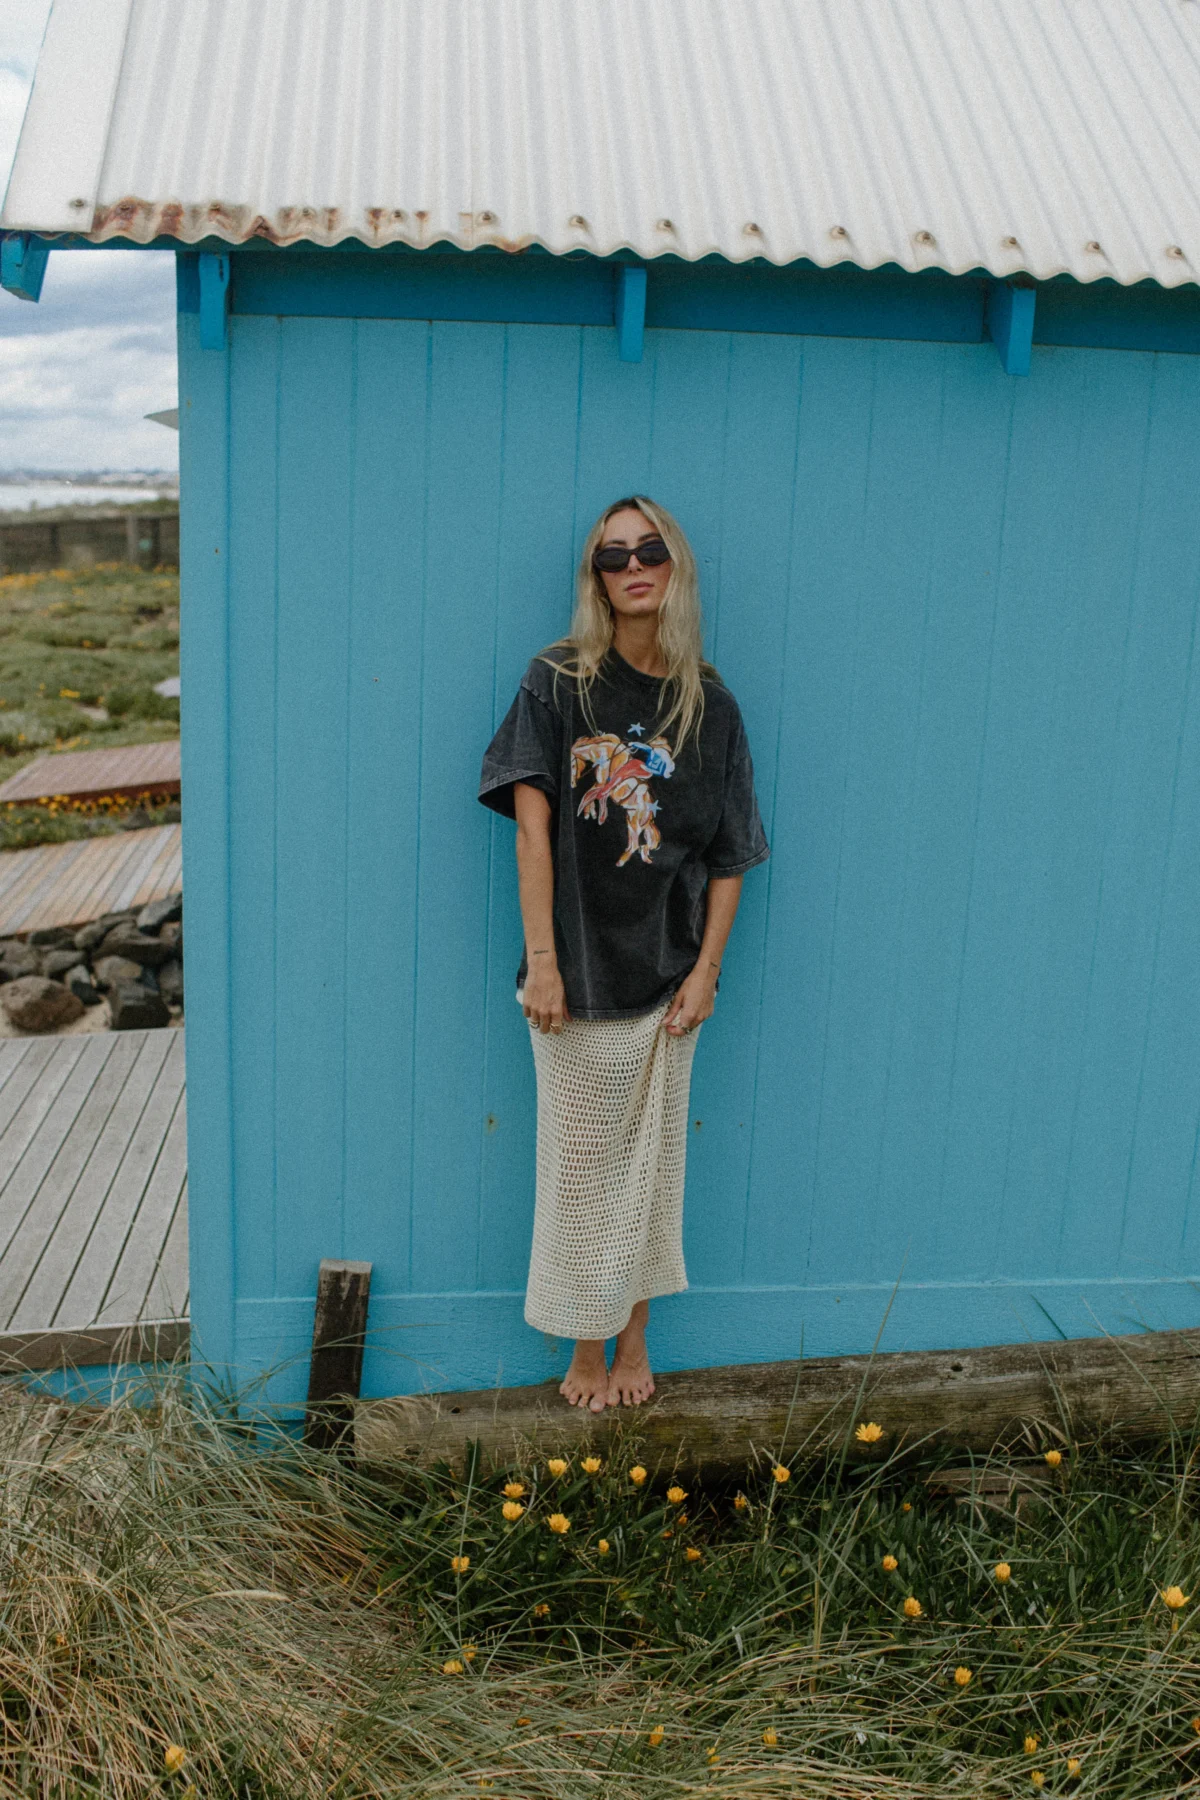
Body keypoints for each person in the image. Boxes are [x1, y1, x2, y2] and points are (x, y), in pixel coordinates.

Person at [478, 495, 769, 1412]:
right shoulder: (557, 683)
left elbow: (730, 857)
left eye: (649, 551)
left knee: (651, 1177)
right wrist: (544, 960)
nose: (633, 567)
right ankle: (583, 1345)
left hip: (670, 983)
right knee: (580, 1175)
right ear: (596, 579)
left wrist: (706, 974)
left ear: (675, 566)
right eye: (613, 556)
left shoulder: (711, 707)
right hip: (575, 979)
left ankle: (634, 1339)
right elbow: (533, 833)